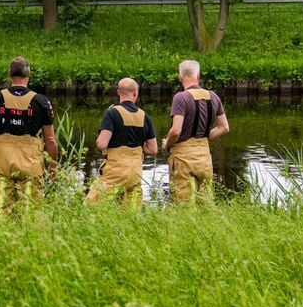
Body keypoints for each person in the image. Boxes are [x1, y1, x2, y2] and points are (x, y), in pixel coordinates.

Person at [0, 56, 59, 214]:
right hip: (30, 164)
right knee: (30, 216)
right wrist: (53, 165)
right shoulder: (41, 101)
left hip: (2, 163)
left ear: (10, 75)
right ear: (28, 74)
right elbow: (50, 140)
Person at [162, 60, 230, 203]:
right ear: (198, 76)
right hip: (204, 157)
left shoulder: (181, 97)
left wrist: (167, 143)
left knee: (183, 203)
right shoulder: (213, 96)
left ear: (180, 77)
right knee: (205, 202)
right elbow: (224, 127)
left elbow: (176, 130)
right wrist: (203, 137)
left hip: (183, 157)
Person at [86, 78, 158, 207]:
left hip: (115, 169)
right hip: (136, 169)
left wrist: (99, 141)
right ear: (135, 93)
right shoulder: (144, 116)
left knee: (92, 207)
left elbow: (102, 144)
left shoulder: (112, 113)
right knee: (130, 214)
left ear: (118, 92)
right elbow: (153, 150)